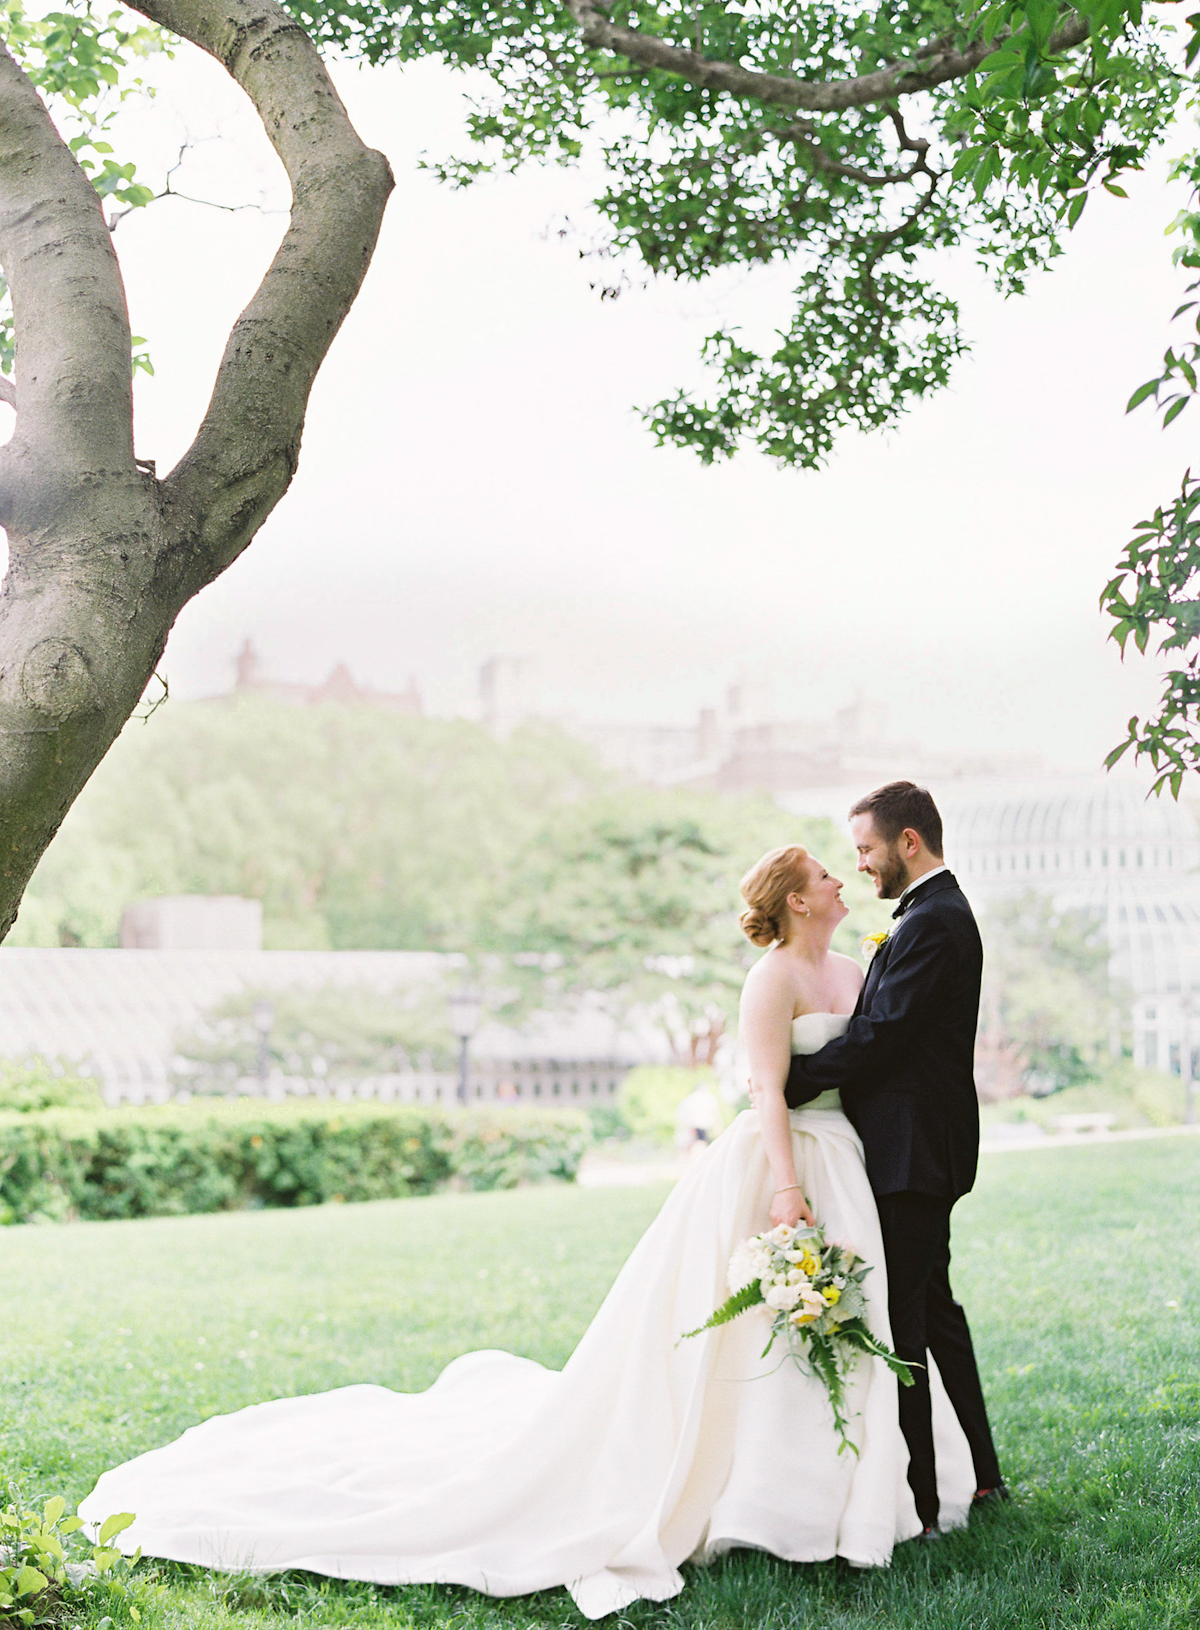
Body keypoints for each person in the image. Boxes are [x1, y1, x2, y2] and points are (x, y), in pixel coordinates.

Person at [79, 843, 973, 1620]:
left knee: (857, 1318)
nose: (841, 877)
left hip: (847, 1160)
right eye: (825, 872)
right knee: (749, 1329)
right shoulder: (769, 978)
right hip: (778, 1166)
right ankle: (749, 1501)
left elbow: (875, 1054)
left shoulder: (857, 972)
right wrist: (785, 1188)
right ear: (794, 898)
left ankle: (855, 1495)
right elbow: (767, 1089)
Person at [783, 781, 1006, 1535]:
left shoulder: (934, 922)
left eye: (867, 850)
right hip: (912, 1149)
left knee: (907, 1327)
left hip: (913, 1154)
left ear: (908, 842)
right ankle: (980, 1479)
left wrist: (791, 1081)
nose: (863, 866)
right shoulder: (923, 917)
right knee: (935, 1317)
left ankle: (921, 1504)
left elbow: (882, 1035)